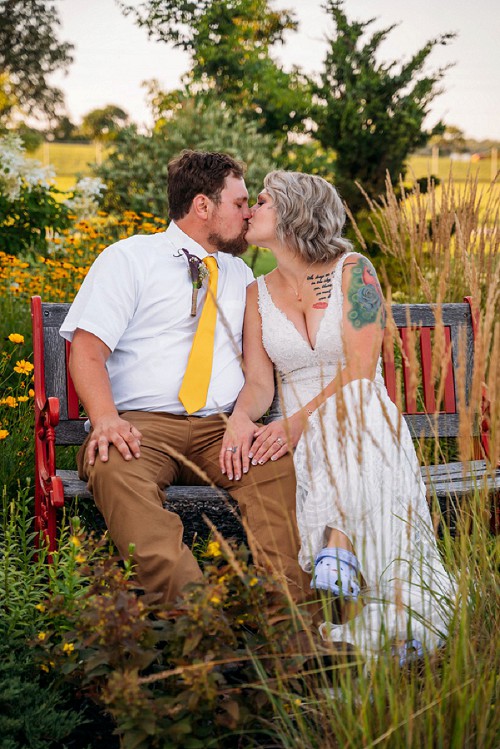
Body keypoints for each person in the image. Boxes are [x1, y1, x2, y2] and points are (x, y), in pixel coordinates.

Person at [220, 170, 457, 660]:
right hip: (304, 439)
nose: (251, 209)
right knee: (340, 417)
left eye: (262, 201)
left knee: (356, 400)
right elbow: (261, 385)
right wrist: (243, 419)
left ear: (292, 211)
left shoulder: (354, 271)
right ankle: (345, 567)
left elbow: (360, 368)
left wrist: (296, 420)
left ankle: (340, 547)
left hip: (361, 422)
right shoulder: (255, 293)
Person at [59, 151, 311, 609]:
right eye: (239, 203)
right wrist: (106, 419)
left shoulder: (242, 276)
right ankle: (198, 625)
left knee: (274, 469)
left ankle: (292, 638)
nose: (249, 212)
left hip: (221, 428)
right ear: (202, 206)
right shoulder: (129, 258)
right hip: (142, 427)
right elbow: (87, 351)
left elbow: (258, 375)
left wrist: (240, 420)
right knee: (113, 467)